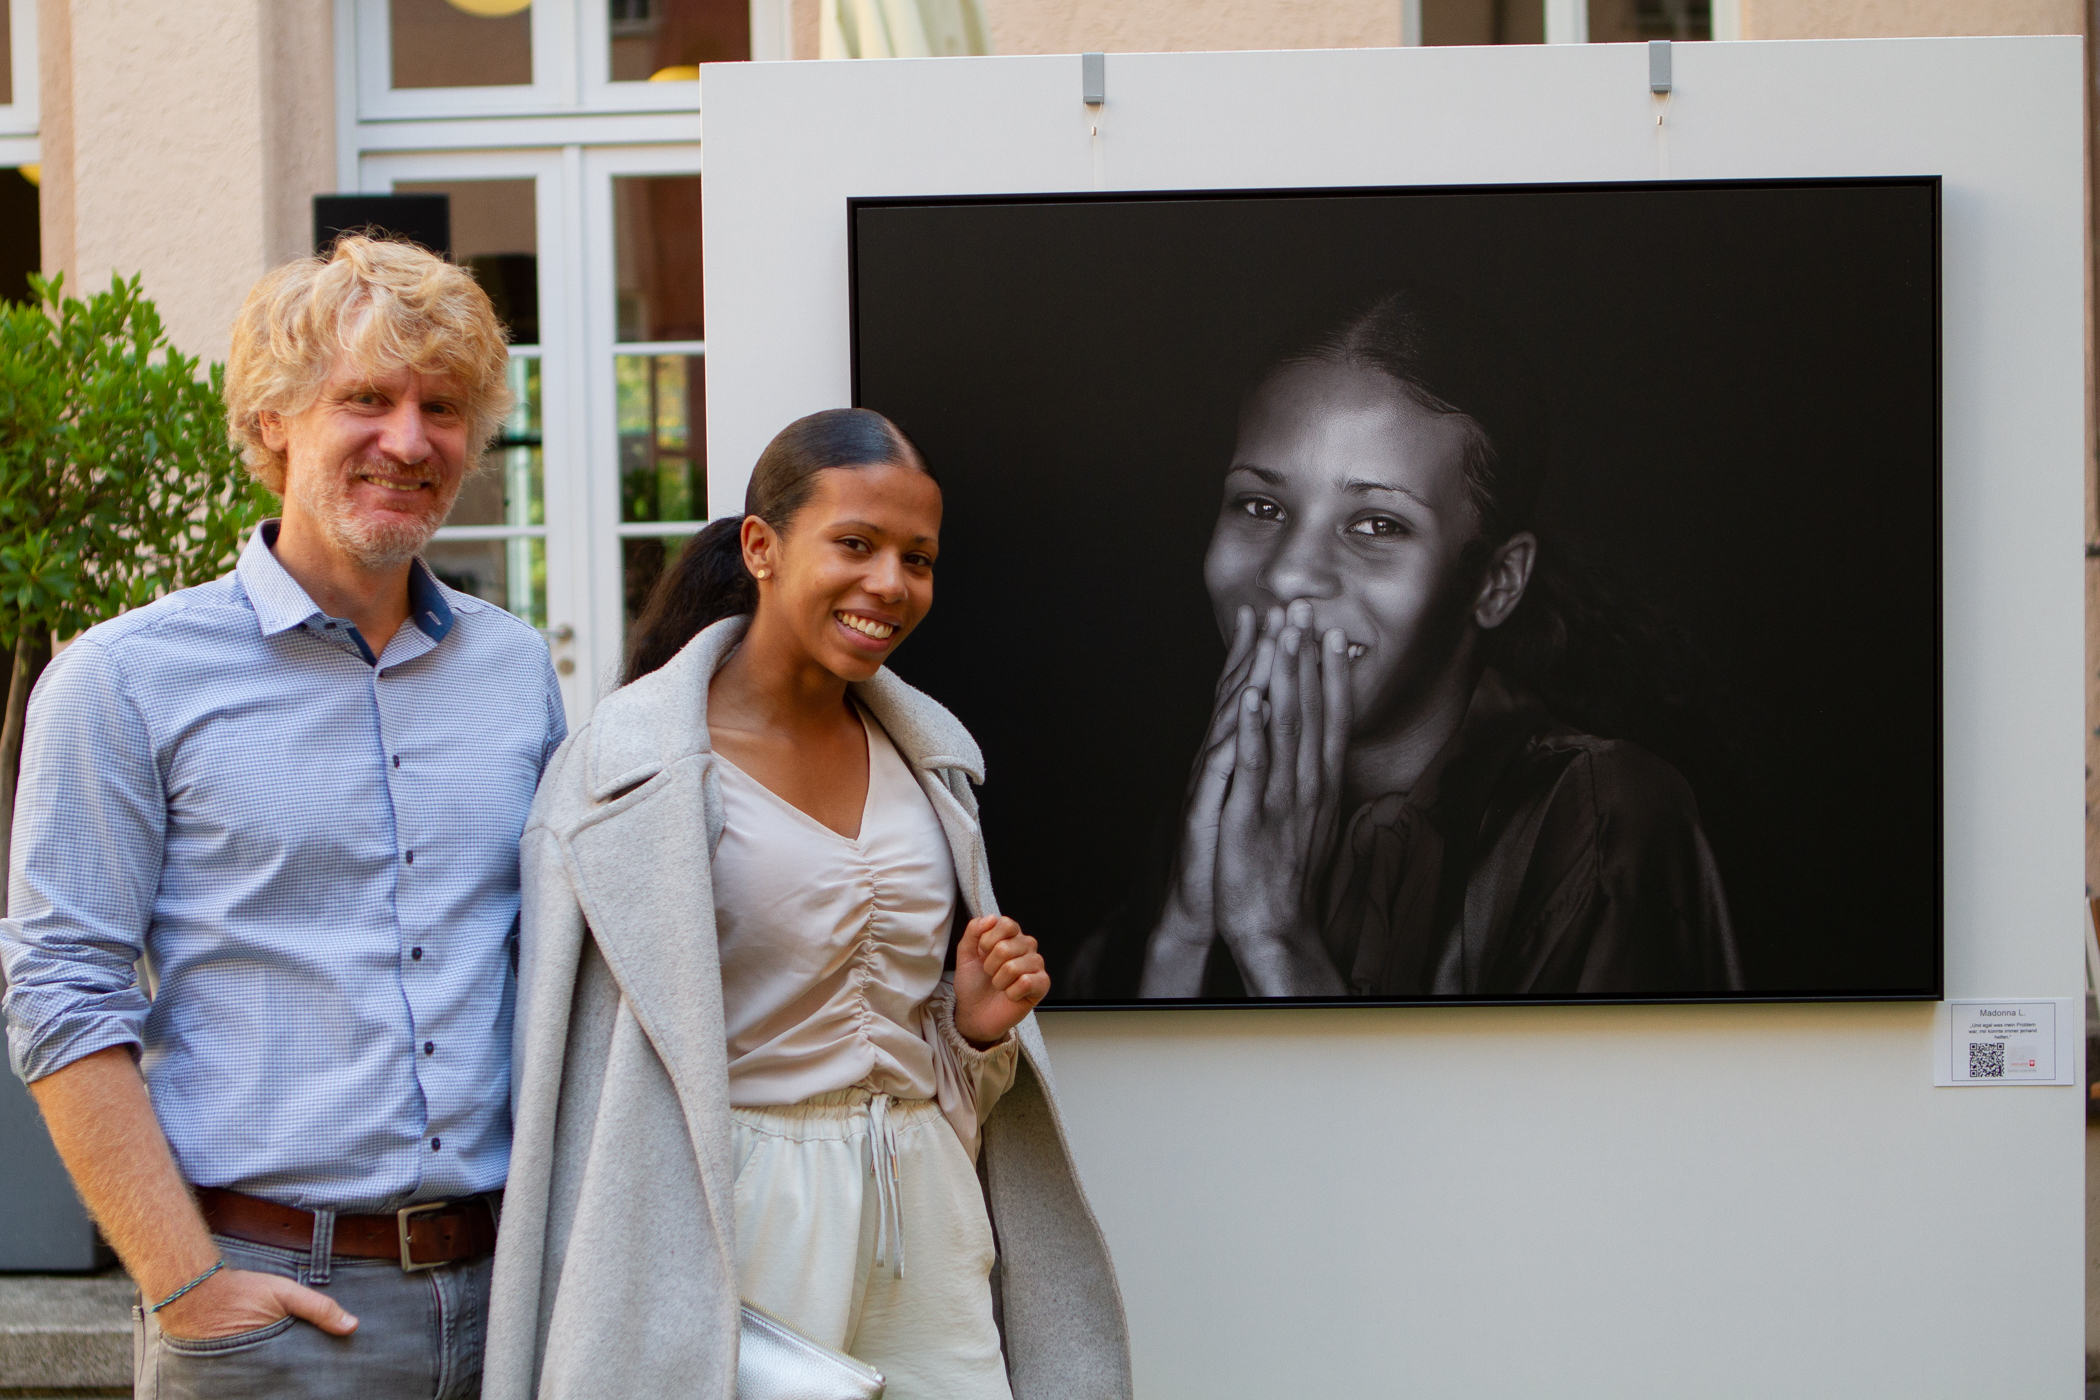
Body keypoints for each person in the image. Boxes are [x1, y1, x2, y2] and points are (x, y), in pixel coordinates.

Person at [0, 236, 566, 1399]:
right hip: (271, 1304)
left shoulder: (516, 670)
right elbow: (60, 991)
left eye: (443, 407)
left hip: (513, 1294)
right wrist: (185, 1280)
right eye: (366, 398)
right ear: (271, 422)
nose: (410, 442)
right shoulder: (125, 679)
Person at [484, 409, 1130, 1400]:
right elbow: (576, 1075)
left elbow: (922, 1061)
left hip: (924, 1202)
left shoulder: (932, 763)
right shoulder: (625, 776)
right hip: (731, 1212)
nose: (891, 584)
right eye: (857, 544)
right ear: (762, 546)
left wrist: (968, 1027)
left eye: (918, 558)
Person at [1139, 289, 1742, 1000]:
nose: (1290, 573)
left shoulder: (1601, 817)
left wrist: (1272, 935)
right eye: (1261, 506)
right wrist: (1183, 932)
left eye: (1376, 525)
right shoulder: (1201, 804)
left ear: (1495, 582)